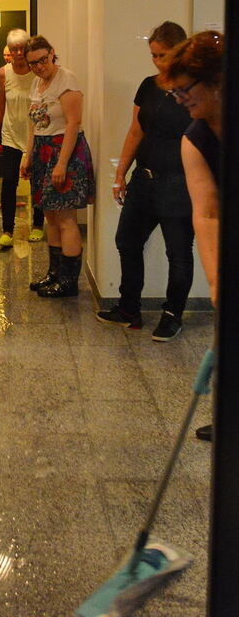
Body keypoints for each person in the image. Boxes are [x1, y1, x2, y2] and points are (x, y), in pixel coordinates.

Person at [97, 22, 194, 341]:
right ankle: (128, 308)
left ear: (180, 52)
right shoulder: (148, 86)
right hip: (145, 178)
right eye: (153, 55)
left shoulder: (197, 90)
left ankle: (172, 314)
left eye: (163, 55)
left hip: (180, 184)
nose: (157, 61)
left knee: (178, 252)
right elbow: (136, 131)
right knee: (127, 240)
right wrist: (119, 173)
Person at [166, 30, 223, 441]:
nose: (181, 99)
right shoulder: (196, 138)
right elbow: (206, 212)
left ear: (218, 81)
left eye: (185, 90)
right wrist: (217, 279)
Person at [22, 35, 95, 297]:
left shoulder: (67, 79)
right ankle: (54, 274)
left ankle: (68, 281)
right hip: (43, 152)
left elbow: (73, 123)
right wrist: (27, 155)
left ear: (52, 54)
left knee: (65, 218)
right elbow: (35, 124)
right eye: (33, 63)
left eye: (43, 60)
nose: (39, 66)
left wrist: (62, 163)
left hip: (65, 151)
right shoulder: (37, 84)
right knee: (50, 216)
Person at [0, 29, 45, 248]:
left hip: (36, 135)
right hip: (11, 134)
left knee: (37, 182)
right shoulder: (3, 73)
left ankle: (38, 225)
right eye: (14, 49)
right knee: (9, 182)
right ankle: (7, 230)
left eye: (22, 47)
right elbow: (0, 104)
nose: (19, 52)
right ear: (9, 51)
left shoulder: (37, 72)